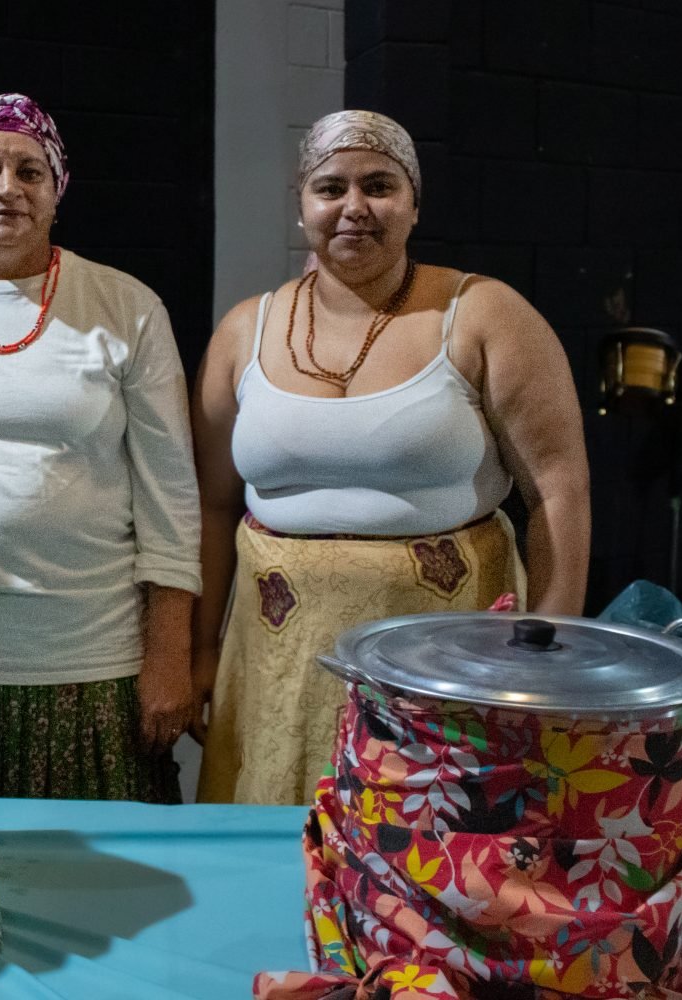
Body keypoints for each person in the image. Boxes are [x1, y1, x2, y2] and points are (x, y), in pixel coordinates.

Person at [192, 109, 590, 805]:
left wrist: (547, 654)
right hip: (277, 655)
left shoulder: (484, 314)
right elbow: (213, 501)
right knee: (274, 851)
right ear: (302, 206)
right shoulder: (243, 331)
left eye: (379, 185)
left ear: (413, 204)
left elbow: (559, 491)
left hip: (449, 658)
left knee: (440, 854)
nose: (354, 208)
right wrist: (198, 650)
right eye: (330, 188)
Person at [0, 93, 201, 802]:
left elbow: (171, 495)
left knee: (104, 889)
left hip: (96, 659)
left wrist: (169, 656)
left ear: (57, 192)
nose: (8, 189)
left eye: (31, 172)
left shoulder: (127, 307)